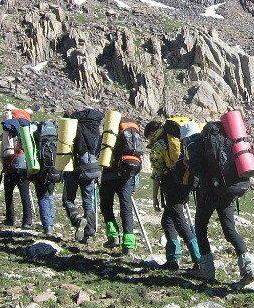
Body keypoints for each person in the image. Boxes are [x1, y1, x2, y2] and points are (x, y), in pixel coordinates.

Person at [192, 123, 254, 286]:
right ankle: (249, 267)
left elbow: (197, 171)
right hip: (228, 191)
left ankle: (207, 271)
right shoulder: (230, 140)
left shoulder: (200, 143)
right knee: (230, 230)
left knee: (200, 227)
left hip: (210, 192)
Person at [145, 120, 201, 271]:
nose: (149, 140)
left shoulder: (159, 144)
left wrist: (155, 196)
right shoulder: (176, 140)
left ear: (151, 134)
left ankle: (198, 260)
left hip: (172, 185)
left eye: (148, 137)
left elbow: (157, 173)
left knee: (179, 222)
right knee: (167, 220)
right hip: (183, 182)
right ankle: (173, 259)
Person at [99, 117, 143, 256]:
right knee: (126, 209)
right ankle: (128, 244)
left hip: (109, 176)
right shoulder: (134, 137)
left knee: (106, 205)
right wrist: (135, 183)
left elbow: (98, 153)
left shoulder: (109, 135)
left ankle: (113, 236)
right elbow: (136, 159)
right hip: (127, 178)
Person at [62, 108, 103, 243]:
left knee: (68, 200)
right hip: (93, 167)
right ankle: (89, 235)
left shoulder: (73, 129)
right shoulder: (93, 127)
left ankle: (77, 219)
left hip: (75, 168)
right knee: (88, 202)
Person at [0, 109, 34, 228]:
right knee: (25, 194)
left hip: (11, 167)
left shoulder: (8, 133)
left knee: (9, 195)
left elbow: (2, 153)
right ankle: (27, 221)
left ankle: (10, 219)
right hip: (24, 166)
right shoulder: (26, 133)